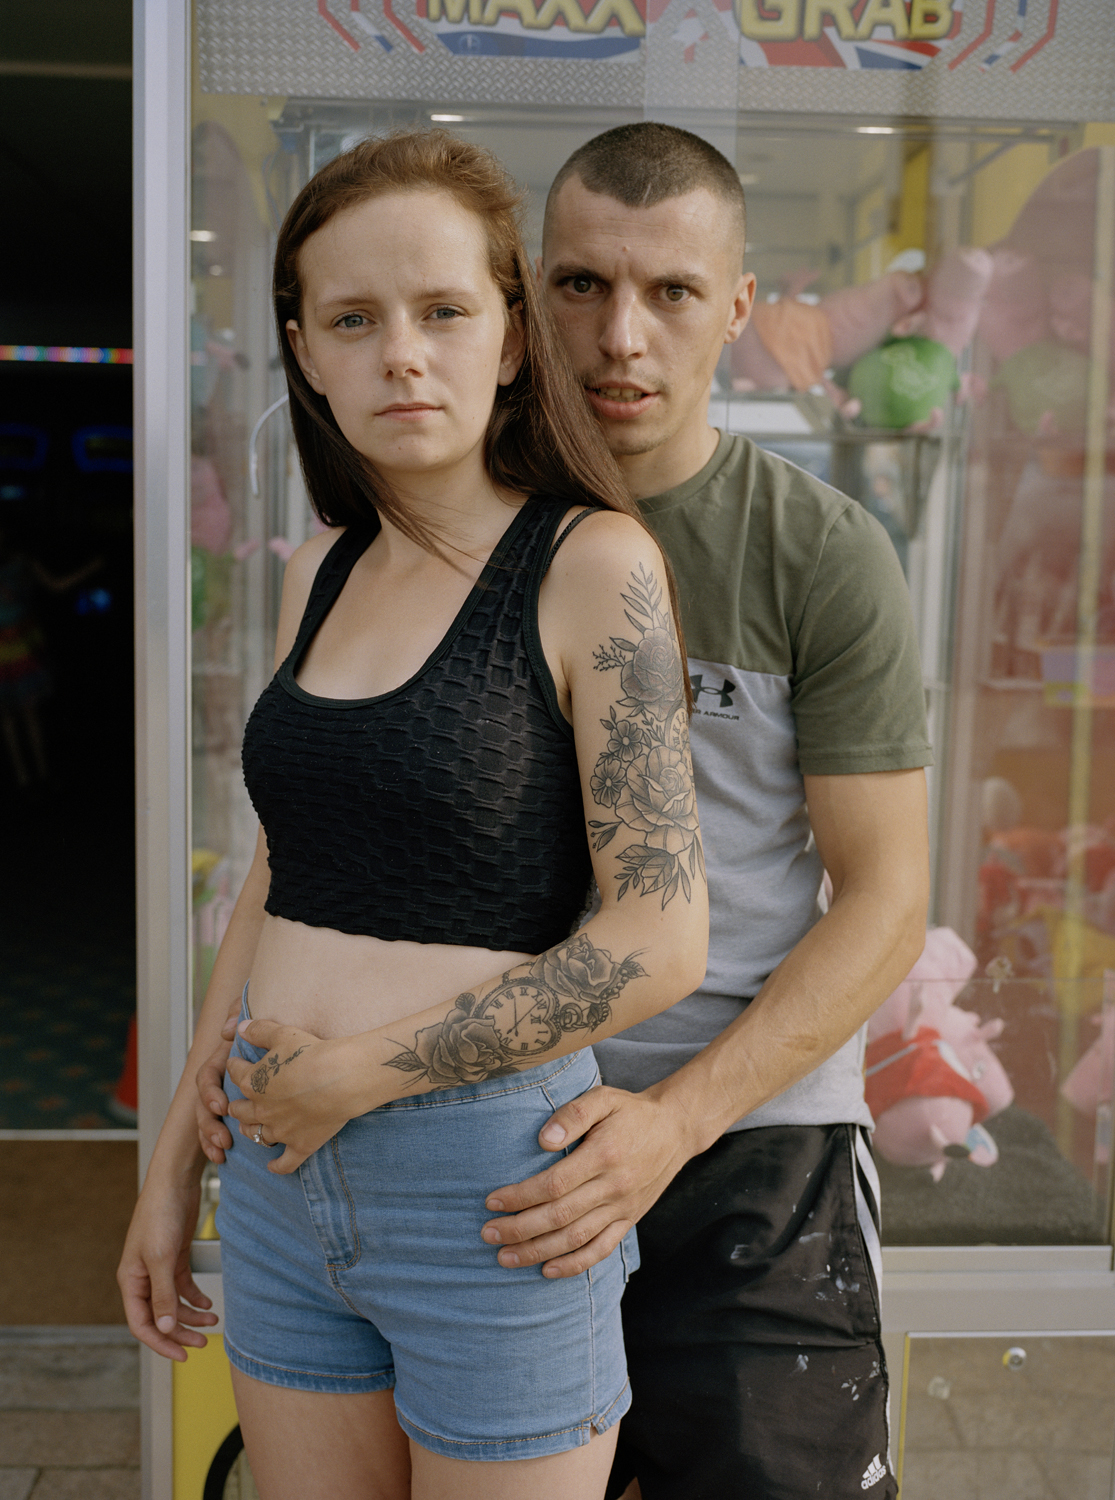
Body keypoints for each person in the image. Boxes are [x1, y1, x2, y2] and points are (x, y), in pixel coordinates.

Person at [120, 130, 707, 1500]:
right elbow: (281, 865)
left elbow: (660, 938)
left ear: (510, 336)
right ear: (304, 351)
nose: (401, 353)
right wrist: (169, 1157)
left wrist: (364, 1072)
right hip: (270, 1166)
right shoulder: (322, 571)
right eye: (354, 319)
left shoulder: (591, 565)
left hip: (493, 1187)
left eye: (444, 310)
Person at [468, 124, 933, 1500]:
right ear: (527, 295)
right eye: (579, 285)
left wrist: (671, 1122)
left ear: (736, 307)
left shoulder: (824, 552)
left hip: (753, 1142)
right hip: (503, 1137)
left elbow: (888, 901)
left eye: (671, 292)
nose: (622, 335)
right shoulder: (458, 532)